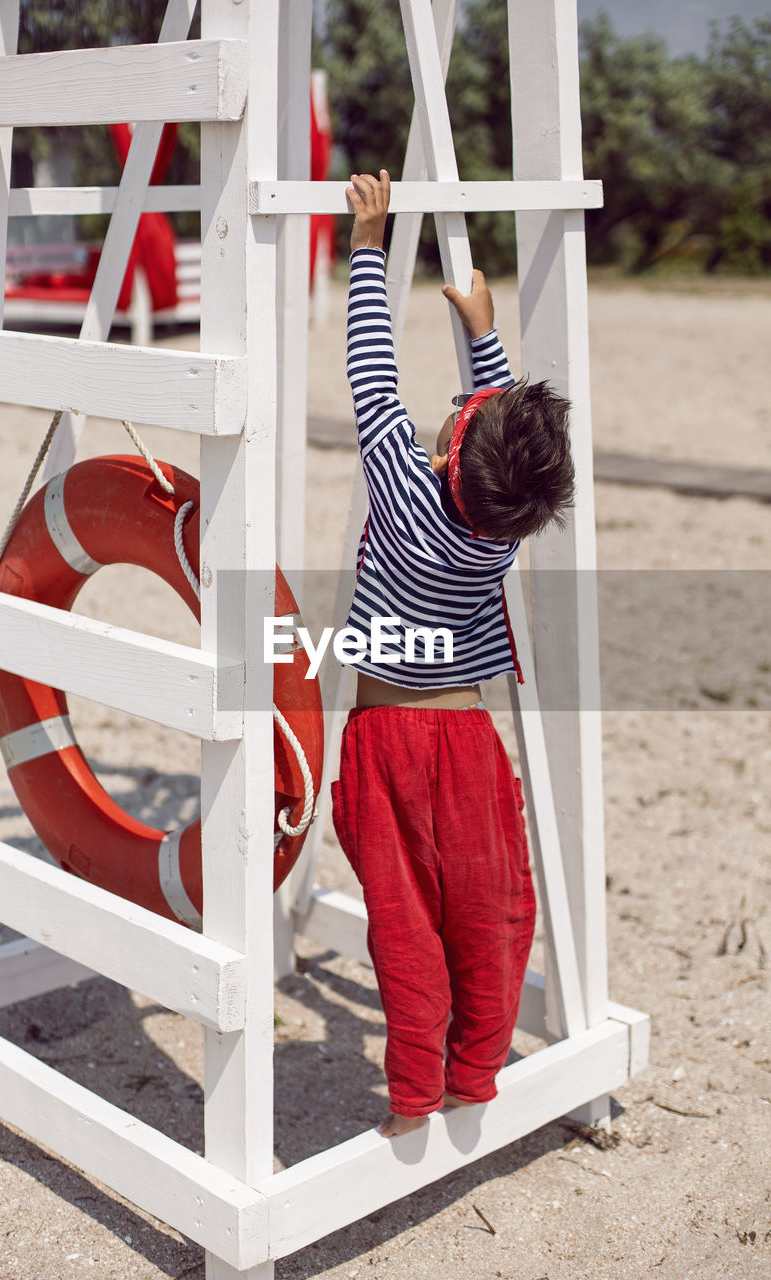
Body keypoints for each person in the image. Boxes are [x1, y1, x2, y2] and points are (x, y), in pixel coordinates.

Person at [332, 169, 575, 1138]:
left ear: (443, 452)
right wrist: (482, 329)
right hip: (469, 745)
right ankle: (474, 1073)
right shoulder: (501, 526)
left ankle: (409, 1100)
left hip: (384, 743)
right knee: (488, 909)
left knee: (403, 920)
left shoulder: (400, 486)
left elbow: (369, 371)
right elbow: (500, 433)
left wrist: (368, 241)